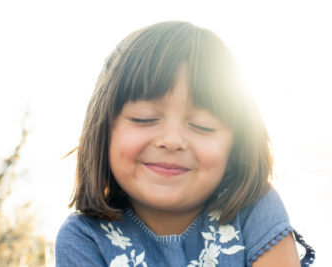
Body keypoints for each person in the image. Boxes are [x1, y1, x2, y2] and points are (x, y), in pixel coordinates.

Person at [55, 21, 315, 266]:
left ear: (236, 144)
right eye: (144, 119)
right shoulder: (84, 237)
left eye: (203, 125)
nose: (172, 141)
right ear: (104, 130)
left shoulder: (253, 207)